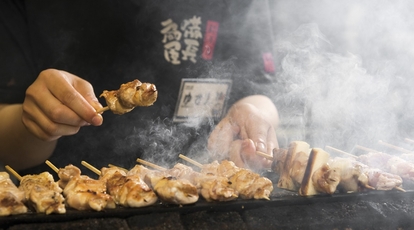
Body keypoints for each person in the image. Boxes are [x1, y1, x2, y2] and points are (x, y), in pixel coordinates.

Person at [0, 0, 279, 176]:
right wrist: (34, 124)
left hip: (205, 192)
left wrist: (252, 112)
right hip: (65, 200)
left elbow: (258, 89)